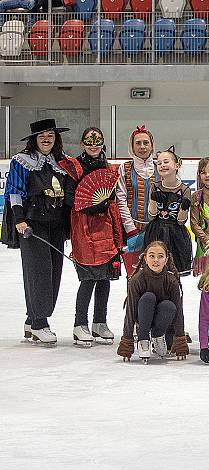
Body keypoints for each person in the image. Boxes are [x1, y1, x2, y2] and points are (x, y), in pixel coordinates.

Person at [2, 119, 72, 344]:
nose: (46, 139)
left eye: (50, 134)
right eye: (41, 135)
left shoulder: (61, 162)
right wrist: (19, 218)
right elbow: (14, 190)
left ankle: (32, 319)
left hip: (56, 224)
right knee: (38, 272)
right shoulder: (22, 161)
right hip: (32, 224)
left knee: (54, 272)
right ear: (34, 139)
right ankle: (40, 323)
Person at [63, 127, 124, 347]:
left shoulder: (108, 167)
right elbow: (70, 198)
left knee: (105, 277)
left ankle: (100, 321)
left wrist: (105, 203)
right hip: (84, 226)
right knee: (88, 277)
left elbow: (114, 195)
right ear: (82, 144)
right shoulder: (75, 167)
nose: (93, 145)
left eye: (97, 141)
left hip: (106, 225)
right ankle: (80, 324)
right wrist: (89, 205)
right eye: (89, 141)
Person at [117, 241, 189, 363]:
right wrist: (127, 341)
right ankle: (143, 339)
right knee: (148, 297)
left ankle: (158, 335)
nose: (156, 260)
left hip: (163, 321)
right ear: (145, 258)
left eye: (160, 256)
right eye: (152, 256)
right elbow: (130, 311)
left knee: (169, 306)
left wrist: (180, 339)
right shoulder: (137, 280)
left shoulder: (171, 281)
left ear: (166, 259)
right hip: (143, 317)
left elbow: (178, 311)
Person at [143, 146, 192, 276]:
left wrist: (184, 207)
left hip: (176, 233)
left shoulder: (185, 190)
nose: (162, 165)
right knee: (154, 270)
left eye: (166, 162)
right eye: (159, 163)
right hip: (156, 231)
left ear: (176, 165)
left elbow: (181, 221)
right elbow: (151, 216)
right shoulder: (155, 186)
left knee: (174, 272)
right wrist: (153, 200)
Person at [115, 124, 156, 274]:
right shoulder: (125, 168)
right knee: (134, 274)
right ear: (132, 146)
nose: (142, 146)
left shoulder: (160, 167)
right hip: (133, 230)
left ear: (152, 145)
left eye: (146, 142)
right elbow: (121, 198)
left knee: (156, 272)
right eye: (138, 143)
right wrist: (130, 228)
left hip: (156, 230)